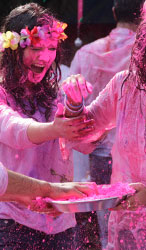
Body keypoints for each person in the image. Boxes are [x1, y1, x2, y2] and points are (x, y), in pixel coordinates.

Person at [63, 5, 146, 249]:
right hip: (125, 234)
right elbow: (82, 138)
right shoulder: (124, 87)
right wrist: (74, 103)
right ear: (144, 60)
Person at [0, 3, 96, 250]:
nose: (44, 56)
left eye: (51, 48)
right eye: (35, 48)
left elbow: (86, 145)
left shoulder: (55, 94)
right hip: (12, 221)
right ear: (12, 51)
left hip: (61, 221)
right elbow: (14, 131)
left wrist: (75, 104)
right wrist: (56, 129)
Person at [69, 0, 144, 248]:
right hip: (140, 154)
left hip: (99, 154)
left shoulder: (85, 53)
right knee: (142, 226)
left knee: (107, 229)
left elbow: (71, 107)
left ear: (114, 13)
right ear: (143, 15)